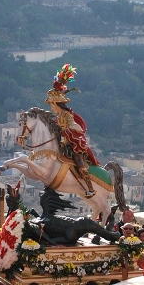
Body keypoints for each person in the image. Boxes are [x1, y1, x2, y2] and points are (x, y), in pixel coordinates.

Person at [43, 64, 98, 198]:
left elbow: (77, 128)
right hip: (62, 144)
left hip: (72, 145)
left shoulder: (67, 116)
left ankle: (90, 188)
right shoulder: (58, 116)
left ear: (56, 104)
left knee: (78, 161)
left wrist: (65, 132)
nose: (51, 108)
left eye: (51, 105)